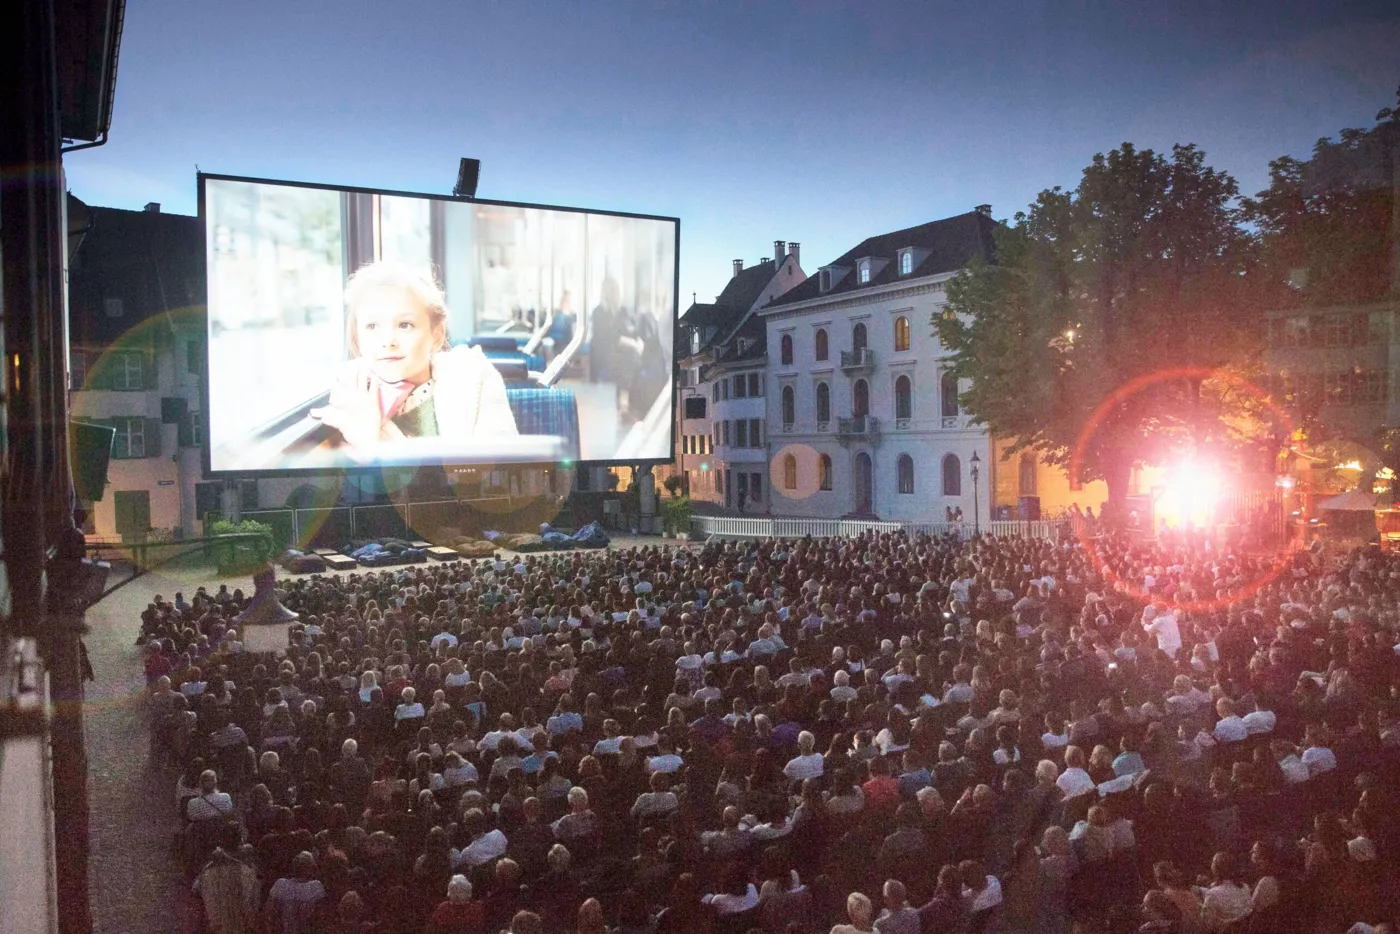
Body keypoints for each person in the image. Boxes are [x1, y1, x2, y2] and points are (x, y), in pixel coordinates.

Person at [310, 260, 517, 460]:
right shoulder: (349, 397)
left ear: (436, 336)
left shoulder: (474, 377)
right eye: (372, 326)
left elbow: (500, 479)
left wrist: (374, 451)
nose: (388, 341)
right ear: (358, 339)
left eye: (405, 325)